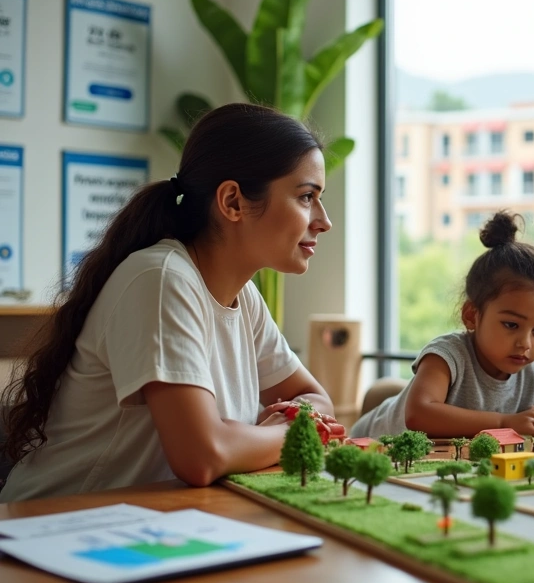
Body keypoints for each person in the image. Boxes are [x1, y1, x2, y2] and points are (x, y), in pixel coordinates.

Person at [1, 104, 338, 501]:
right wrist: (290, 430)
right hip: (55, 529)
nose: (324, 220)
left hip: (154, 525)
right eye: (305, 197)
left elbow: (317, 399)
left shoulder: (243, 297)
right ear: (232, 202)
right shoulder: (161, 279)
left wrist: (270, 430)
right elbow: (202, 456)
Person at [350, 211, 534, 440]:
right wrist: (504, 423)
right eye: (511, 325)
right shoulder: (447, 356)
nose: (525, 343)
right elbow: (418, 415)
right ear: (471, 316)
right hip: (372, 444)